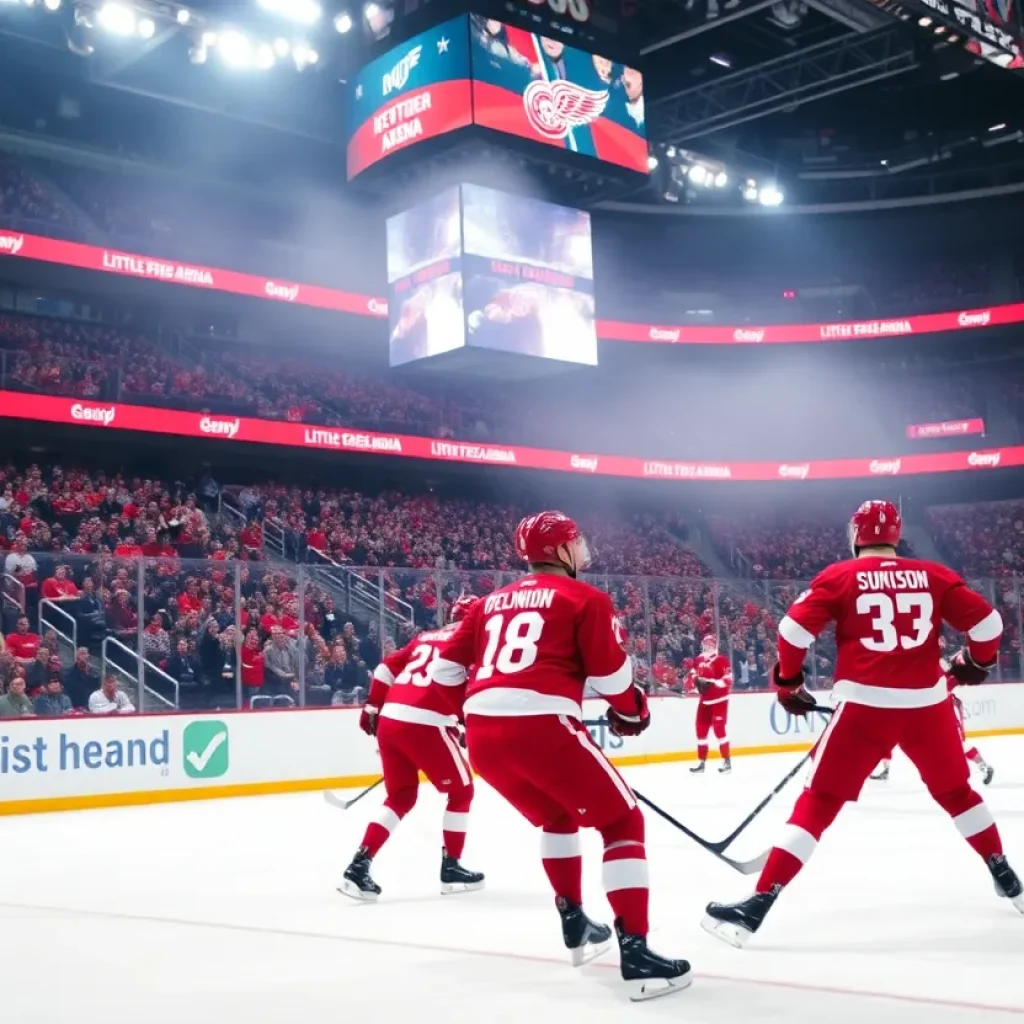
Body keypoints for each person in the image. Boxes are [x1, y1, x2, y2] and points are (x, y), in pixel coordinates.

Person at [703, 500, 1024, 948]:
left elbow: (793, 633)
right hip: (928, 707)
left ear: (855, 535)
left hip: (864, 707)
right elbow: (989, 624)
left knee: (820, 800)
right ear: (897, 535)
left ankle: (757, 903)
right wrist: (976, 662)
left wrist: (789, 684)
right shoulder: (933, 575)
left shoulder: (840, 576)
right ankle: (1004, 873)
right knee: (957, 793)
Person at [428, 512, 690, 1001]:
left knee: (556, 817)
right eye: (577, 543)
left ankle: (574, 921)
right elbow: (613, 681)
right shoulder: (586, 598)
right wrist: (633, 712)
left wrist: (470, 715)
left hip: (485, 733)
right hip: (544, 724)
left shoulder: (489, 603)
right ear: (564, 549)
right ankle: (636, 952)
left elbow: (445, 670)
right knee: (623, 823)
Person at [340, 595, 485, 902]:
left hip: (391, 720)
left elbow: (384, 669)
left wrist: (372, 706)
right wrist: (466, 721)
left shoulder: (425, 637)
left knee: (401, 797)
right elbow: (468, 686)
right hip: (427, 722)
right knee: (462, 791)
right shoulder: (474, 642)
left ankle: (359, 865)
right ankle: (452, 867)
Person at [686, 634, 733, 774]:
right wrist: (694, 683)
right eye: (706, 643)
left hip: (719, 700)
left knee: (719, 728)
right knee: (701, 729)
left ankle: (727, 761)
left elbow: (728, 680)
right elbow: (693, 675)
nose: (709, 645)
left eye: (711, 643)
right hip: (704, 700)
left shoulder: (721, 660)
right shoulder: (698, 659)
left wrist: (711, 683)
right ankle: (701, 763)